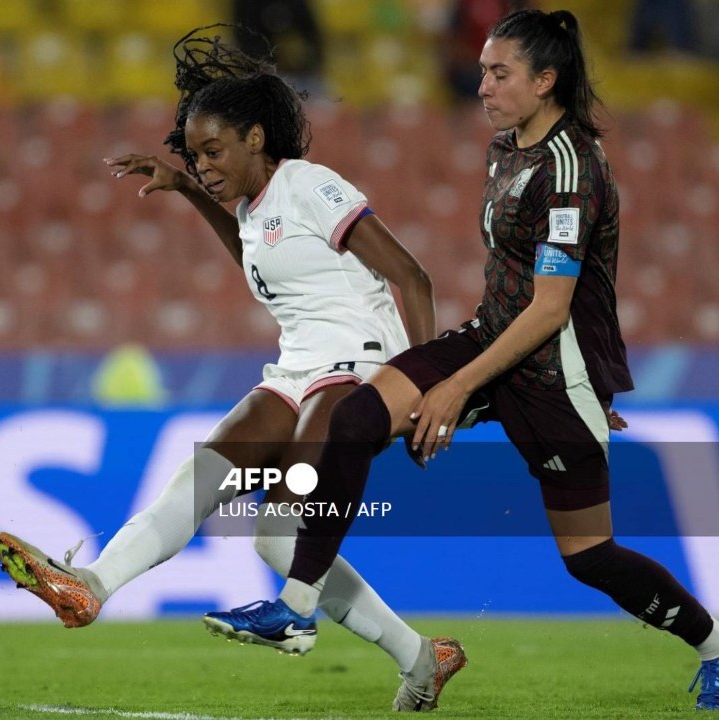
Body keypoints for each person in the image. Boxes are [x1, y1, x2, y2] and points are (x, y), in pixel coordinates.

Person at [213, 8, 719, 711]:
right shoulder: (508, 146)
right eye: (482, 69)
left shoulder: (571, 172)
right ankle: (297, 604)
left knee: (590, 558)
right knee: (356, 417)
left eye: (498, 73)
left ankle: (714, 644)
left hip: (549, 370)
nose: (481, 85)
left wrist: (454, 390)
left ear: (545, 81)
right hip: (490, 336)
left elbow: (551, 309)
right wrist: (446, 374)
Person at [0, 26, 467, 712]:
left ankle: (296, 615)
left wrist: (420, 385)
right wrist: (189, 190)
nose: (205, 163)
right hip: (298, 366)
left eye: (212, 150)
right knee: (250, 515)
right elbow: (252, 248)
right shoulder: (253, 209)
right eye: (194, 154)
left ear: (255, 137)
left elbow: (413, 277)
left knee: (294, 507)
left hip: (362, 362)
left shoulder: (308, 184)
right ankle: (90, 589)